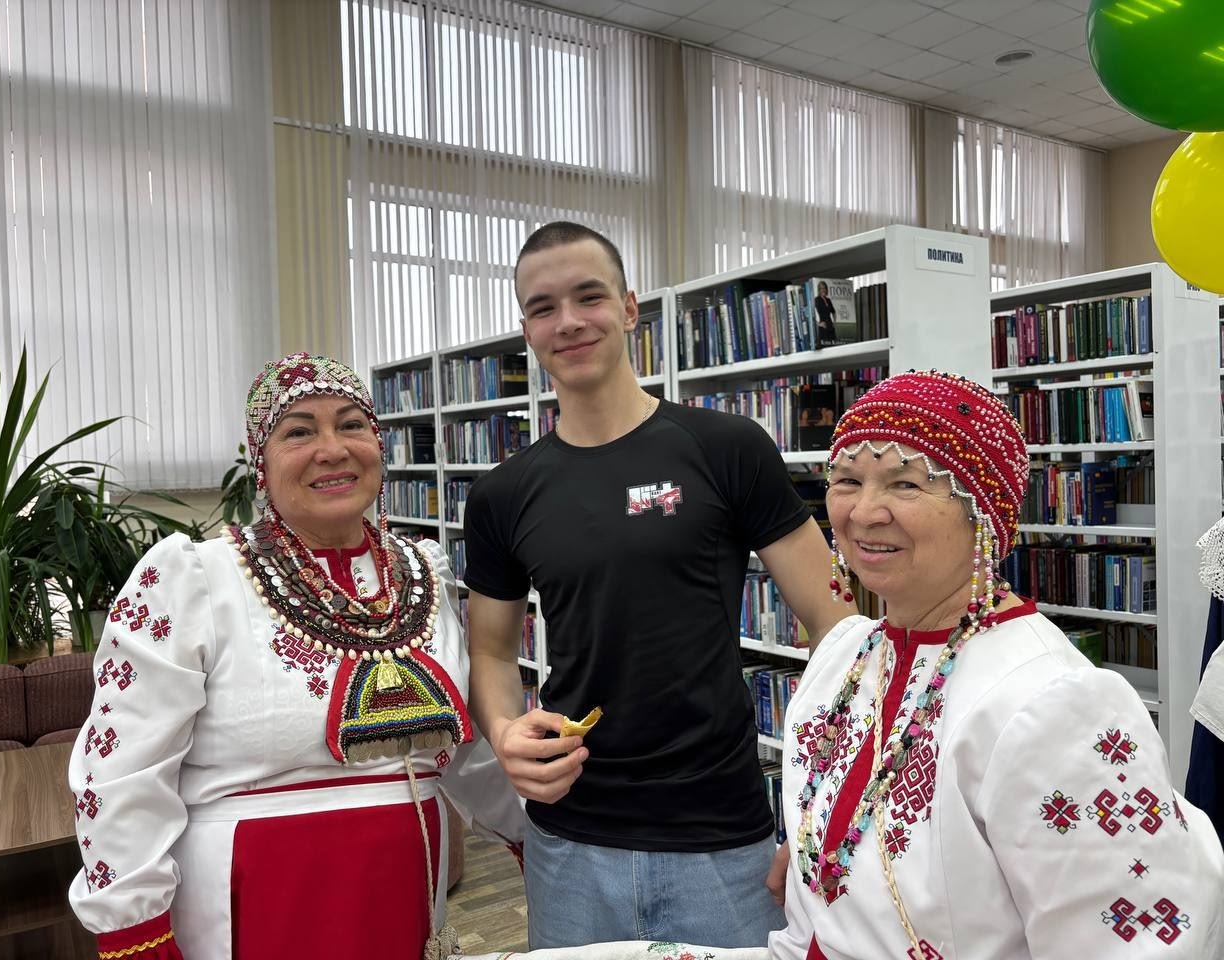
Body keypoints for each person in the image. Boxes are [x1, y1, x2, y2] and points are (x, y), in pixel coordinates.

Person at [463, 221, 852, 948]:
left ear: (630, 307)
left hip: (723, 840)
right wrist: (504, 729)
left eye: (588, 296)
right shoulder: (501, 494)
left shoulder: (726, 449)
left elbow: (841, 628)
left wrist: (818, 810)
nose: (568, 321)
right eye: (543, 307)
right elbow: (489, 650)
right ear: (526, 329)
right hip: (570, 839)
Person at [67, 353, 522, 960]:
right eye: (299, 431)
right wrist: (133, 927)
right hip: (252, 904)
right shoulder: (196, 578)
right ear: (261, 460)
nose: (331, 449)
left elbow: (464, 746)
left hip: (407, 890)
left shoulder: (424, 573)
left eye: (351, 425)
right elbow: (121, 769)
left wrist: (530, 831)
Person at [772, 369, 1224, 959]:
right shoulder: (843, 659)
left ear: (981, 511)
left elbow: (1138, 943)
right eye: (847, 479)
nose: (865, 512)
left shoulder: (1052, 704)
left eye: (908, 484)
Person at [812, 281, 836, 348]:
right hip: (823, 327)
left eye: (824, 288)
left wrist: (834, 322)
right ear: (819, 290)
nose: (823, 290)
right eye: (821, 288)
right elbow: (810, 314)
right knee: (824, 347)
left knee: (833, 347)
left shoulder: (828, 300)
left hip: (830, 326)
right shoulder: (817, 299)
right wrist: (819, 324)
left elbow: (834, 312)